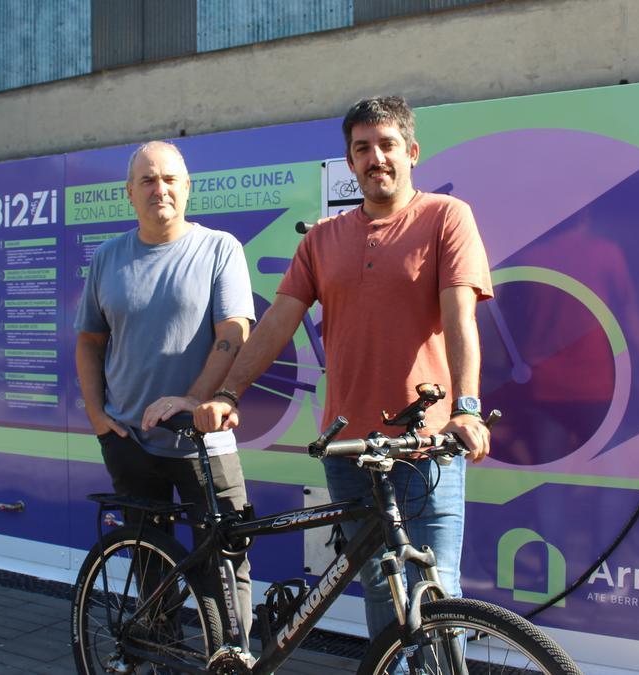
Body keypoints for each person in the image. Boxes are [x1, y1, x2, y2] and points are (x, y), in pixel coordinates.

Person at [194, 96, 493, 639]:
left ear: (412, 152)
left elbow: (460, 320)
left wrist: (467, 409)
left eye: (387, 145)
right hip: (350, 449)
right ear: (350, 162)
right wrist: (229, 393)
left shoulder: (447, 217)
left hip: (425, 447)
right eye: (362, 148)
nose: (376, 158)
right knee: (381, 588)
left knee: (435, 591)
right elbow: (277, 324)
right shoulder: (321, 239)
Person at [74, 140, 255, 635]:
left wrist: (194, 400)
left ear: (187, 187)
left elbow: (234, 332)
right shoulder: (108, 257)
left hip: (205, 444)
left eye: (170, 179)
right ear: (129, 192)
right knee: (152, 570)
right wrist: (97, 416)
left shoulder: (219, 248)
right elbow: (89, 341)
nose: (160, 189)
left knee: (224, 565)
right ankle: (162, 658)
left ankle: (232, 660)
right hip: (130, 441)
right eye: (148, 180)